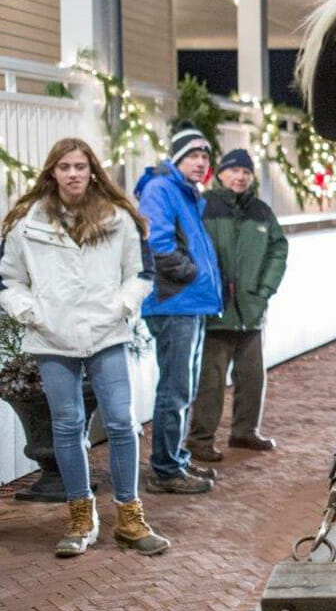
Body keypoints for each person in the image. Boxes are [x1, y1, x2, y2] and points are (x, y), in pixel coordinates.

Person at [0, 138, 171, 556]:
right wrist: (31, 313)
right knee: (66, 424)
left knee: (120, 422)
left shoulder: (118, 219)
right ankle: (80, 516)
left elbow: (141, 273)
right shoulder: (27, 222)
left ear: (92, 170)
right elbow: (9, 280)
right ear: (52, 173)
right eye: (64, 167)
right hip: (51, 337)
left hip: (106, 333)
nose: (73, 173)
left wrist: (121, 307)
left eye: (79, 166)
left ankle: (129, 517)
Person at [135, 122, 223, 494]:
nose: (202, 162)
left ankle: (175, 461)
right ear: (177, 158)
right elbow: (158, 243)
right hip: (175, 303)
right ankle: (165, 470)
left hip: (191, 304)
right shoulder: (160, 189)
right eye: (194, 155)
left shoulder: (187, 194)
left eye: (205, 156)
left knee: (183, 387)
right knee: (175, 389)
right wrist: (190, 275)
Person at [187, 149, 288, 461]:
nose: (240, 177)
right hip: (216, 311)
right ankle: (200, 440)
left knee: (253, 376)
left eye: (246, 171)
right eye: (234, 171)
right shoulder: (204, 206)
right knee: (211, 381)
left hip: (252, 311)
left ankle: (244, 432)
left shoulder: (261, 212)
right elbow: (193, 249)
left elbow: (278, 249)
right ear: (220, 174)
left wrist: (264, 291)